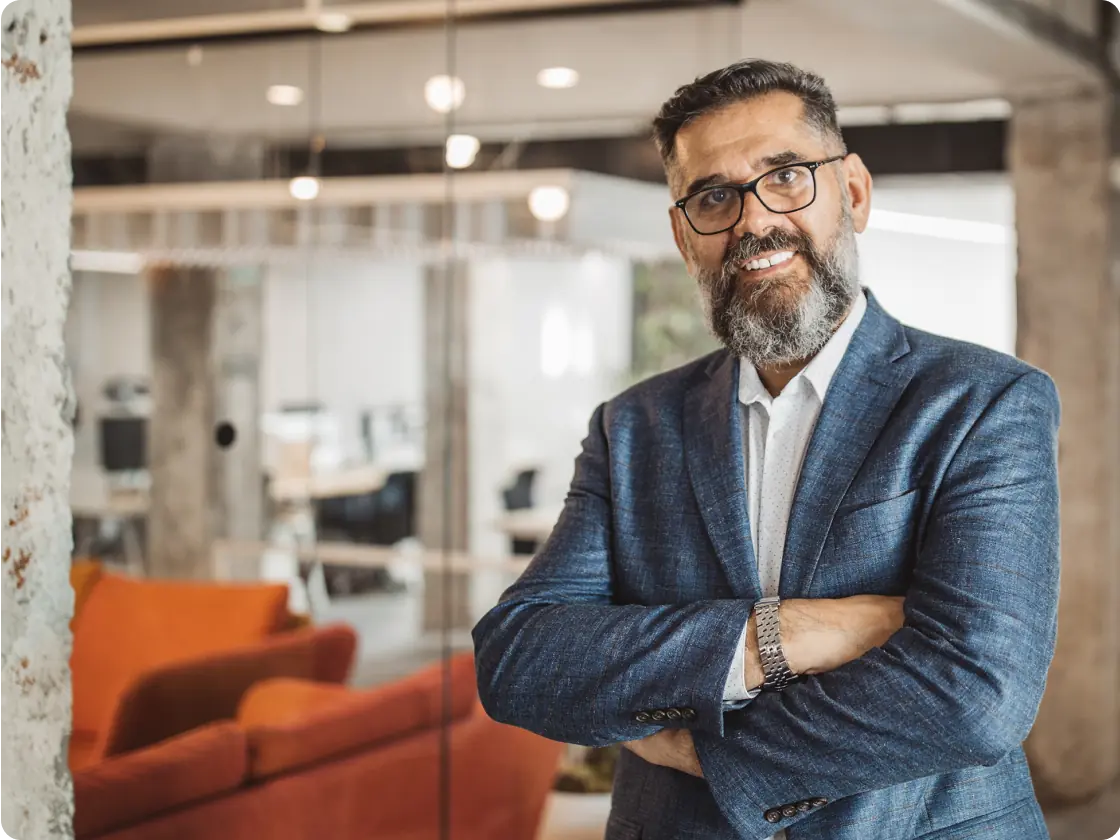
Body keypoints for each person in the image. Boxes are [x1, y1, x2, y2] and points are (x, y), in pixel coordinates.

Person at [472, 59, 1059, 840]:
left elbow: (975, 694)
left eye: (786, 177)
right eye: (714, 196)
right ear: (686, 237)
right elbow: (522, 660)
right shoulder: (633, 427)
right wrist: (780, 637)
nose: (751, 221)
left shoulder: (984, 402)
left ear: (851, 194)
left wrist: (708, 751)